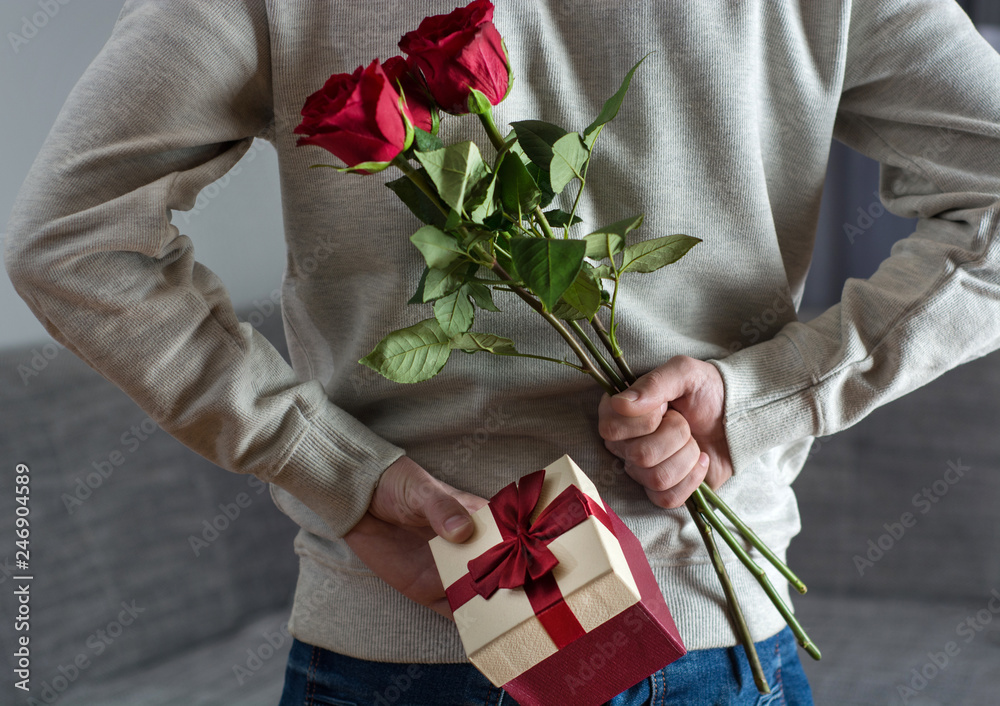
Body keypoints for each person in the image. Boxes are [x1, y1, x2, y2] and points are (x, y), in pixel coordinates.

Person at [6, 1, 1000, 704]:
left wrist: (337, 472)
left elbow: (70, 241)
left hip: (400, 635)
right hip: (707, 623)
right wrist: (763, 403)